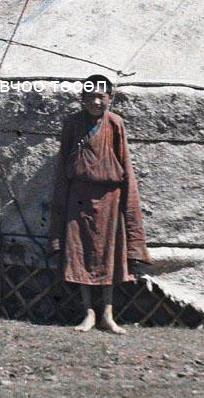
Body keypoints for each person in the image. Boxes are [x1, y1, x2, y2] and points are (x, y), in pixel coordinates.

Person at [48, 74, 150, 333]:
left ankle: (107, 314)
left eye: (101, 97)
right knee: (79, 253)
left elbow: (124, 163)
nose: (96, 101)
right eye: (90, 96)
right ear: (82, 99)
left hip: (109, 201)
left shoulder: (115, 124)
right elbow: (63, 164)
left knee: (110, 256)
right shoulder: (72, 124)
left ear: (109, 99)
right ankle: (88, 314)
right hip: (78, 200)